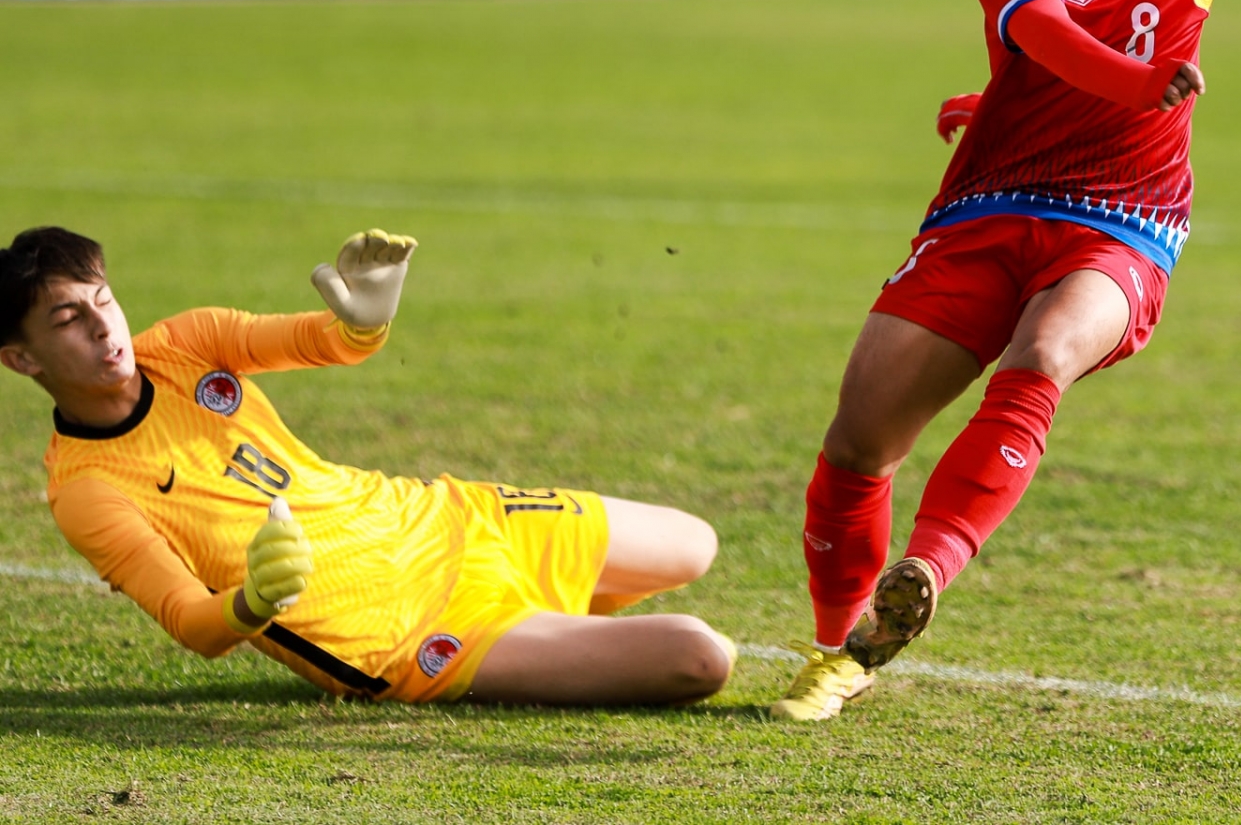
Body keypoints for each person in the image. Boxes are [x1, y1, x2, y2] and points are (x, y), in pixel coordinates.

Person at [770, 0, 1235, 721]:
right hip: (993, 205)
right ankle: (840, 649)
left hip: (1127, 219)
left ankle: (927, 571)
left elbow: (1108, 39)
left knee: (1051, 345)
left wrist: (1137, 93)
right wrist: (1095, 91)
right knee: (859, 443)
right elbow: (1049, 40)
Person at [1, 225, 734, 706]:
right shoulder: (87, 491)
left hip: (444, 517)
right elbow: (195, 623)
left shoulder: (188, 341)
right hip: (412, 635)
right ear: (22, 358)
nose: (105, 326)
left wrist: (365, 317)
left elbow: (333, 342)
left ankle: (563, 632)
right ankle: (553, 639)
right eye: (70, 319)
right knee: (703, 656)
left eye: (105, 300)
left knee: (695, 541)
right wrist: (254, 599)